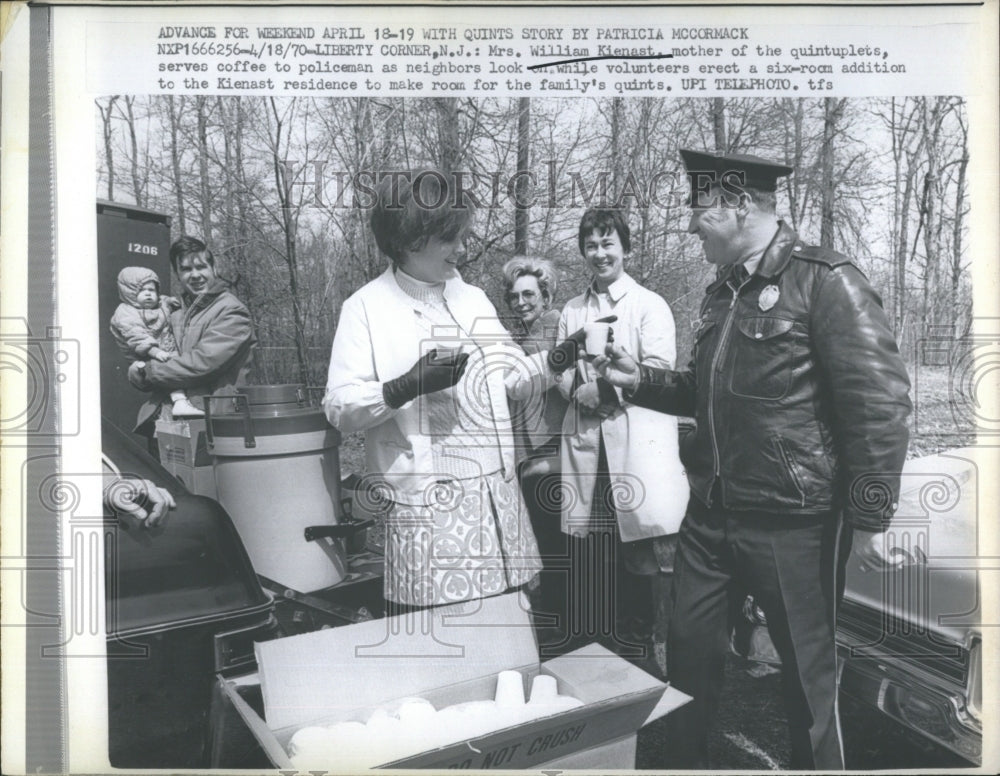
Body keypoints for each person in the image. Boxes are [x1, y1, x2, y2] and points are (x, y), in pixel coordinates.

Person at [594, 149, 912, 770]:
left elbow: (880, 403)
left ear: (739, 205)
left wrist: (871, 518)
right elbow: (703, 389)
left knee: (807, 678)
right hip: (711, 518)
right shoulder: (724, 292)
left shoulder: (825, 279)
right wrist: (641, 381)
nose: (690, 227)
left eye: (698, 212)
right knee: (687, 660)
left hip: (793, 522)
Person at [324, 170, 561, 611]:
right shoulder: (365, 308)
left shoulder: (472, 299)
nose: (463, 249)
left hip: (495, 494)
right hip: (429, 507)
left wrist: (561, 358)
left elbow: (512, 379)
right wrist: (404, 386)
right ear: (410, 239)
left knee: (509, 624)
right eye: (450, 238)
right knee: (448, 637)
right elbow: (339, 407)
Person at [555, 208, 689, 671]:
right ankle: (604, 658)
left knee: (642, 558)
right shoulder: (573, 310)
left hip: (637, 447)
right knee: (596, 556)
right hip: (590, 446)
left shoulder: (649, 305)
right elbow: (558, 369)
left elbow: (659, 369)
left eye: (608, 243)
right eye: (590, 245)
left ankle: (648, 655)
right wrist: (581, 393)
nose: (599, 254)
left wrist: (607, 389)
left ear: (625, 248)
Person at [501, 257, 571, 644]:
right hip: (532, 456)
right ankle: (555, 625)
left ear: (546, 295)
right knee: (546, 548)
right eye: (514, 296)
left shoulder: (555, 327)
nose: (521, 301)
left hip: (551, 455)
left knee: (554, 549)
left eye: (529, 293)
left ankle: (558, 630)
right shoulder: (525, 336)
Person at [128, 236, 256, 435]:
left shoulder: (231, 311)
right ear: (177, 274)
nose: (195, 275)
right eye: (186, 269)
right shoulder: (175, 312)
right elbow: (155, 357)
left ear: (213, 269)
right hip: (167, 419)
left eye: (201, 267)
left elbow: (202, 363)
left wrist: (148, 372)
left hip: (211, 421)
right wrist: (138, 372)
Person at [110, 266, 203, 418]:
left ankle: (183, 401)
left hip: (164, 348)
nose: (148, 294)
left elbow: (163, 299)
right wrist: (155, 352)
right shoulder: (125, 312)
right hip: (143, 354)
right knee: (167, 371)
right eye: (142, 290)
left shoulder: (160, 304)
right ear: (130, 292)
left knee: (180, 368)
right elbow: (136, 335)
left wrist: (171, 301)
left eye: (152, 290)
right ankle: (180, 402)